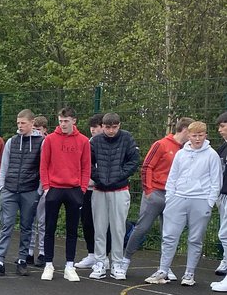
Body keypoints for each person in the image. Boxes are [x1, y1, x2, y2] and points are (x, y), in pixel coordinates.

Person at [145, 121, 221, 286]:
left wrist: (209, 203)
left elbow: (216, 181)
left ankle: (189, 274)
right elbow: (173, 177)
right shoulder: (181, 153)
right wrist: (171, 197)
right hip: (177, 198)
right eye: (194, 135)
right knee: (169, 236)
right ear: (189, 136)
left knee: (195, 238)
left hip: (200, 200)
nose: (197, 139)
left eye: (201, 135)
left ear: (206, 135)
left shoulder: (212, 155)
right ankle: (163, 270)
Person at [122, 118, 191, 277]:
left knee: (168, 232)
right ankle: (124, 261)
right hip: (155, 193)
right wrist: (149, 191)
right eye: (192, 132)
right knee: (142, 228)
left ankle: (165, 267)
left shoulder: (186, 150)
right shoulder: (161, 144)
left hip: (172, 196)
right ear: (185, 130)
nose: (194, 136)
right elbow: (147, 166)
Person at [0, 109, 43, 277]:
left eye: (23, 123)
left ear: (32, 123)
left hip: (30, 190)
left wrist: (39, 190)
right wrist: (3, 187)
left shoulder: (42, 142)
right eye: (18, 123)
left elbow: (43, 167)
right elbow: (4, 165)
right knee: (6, 225)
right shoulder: (12, 141)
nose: (20, 126)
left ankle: (22, 260)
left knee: (27, 226)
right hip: (10, 189)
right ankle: (0, 261)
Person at [39, 108, 90, 282]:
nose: (63, 124)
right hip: (54, 188)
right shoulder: (50, 139)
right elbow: (43, 164)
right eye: (61, 121)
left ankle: (70, 265)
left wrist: (82, 188)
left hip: (74, 189)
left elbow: (86, 166)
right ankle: (48, 264)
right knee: (49, 228)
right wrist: (46, 186)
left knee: (72, 229)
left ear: (74, 121)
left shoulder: (83, 141)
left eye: (66, 121)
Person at [87, 113, 139, 280]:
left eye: (114, 127)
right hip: (99, 190)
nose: (111, 130)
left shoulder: (127, 138)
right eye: (107, 127)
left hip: (120, 189)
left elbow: (134, 161)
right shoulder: (94, 141)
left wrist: (119, 176)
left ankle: (117, 263)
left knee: (118, 228)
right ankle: (100, 262)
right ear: (102, 126)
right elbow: (87, 163)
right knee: (100, 228)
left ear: (119, 125)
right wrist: (99, 177)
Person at [75, 114, 104, 268]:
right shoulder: (88, 143)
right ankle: (92, 254)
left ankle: (103, 256)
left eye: (96, 126)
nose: (93, 130)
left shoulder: (107, 144)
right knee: (87, 222)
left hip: (102, 189)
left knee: (102, 224)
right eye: (91, 127)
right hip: (87, 188)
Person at [27, 115, 48, 265]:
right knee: (29, 220)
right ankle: (28, 252)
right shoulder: (28, 142)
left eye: (38, 130)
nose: (35, 132)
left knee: (42, 220)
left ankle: (42, 252)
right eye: (33, 129)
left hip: (44, 186)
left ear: (44, 130)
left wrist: (43, 187)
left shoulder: (47, 143)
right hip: (30, 186)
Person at [214, 112, 227, 277]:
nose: (219, 130)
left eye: (222, 126)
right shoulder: (222, 147)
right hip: (223, 195)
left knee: (224, 232)